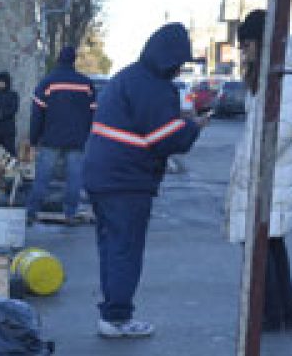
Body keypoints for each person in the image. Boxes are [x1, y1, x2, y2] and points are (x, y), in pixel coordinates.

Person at [83, 23, 206, 338]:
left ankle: (112, 312)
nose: (180, 70)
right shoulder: (154, 87)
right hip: (126, 179)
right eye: (179, 62)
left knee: (112, 246)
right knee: (126, 248)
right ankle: (117, 317)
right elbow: (165, 138)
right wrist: (193, 127)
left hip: (102, 176)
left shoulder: (129, 76)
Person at [225, 9, 292, 333]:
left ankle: (271, 314)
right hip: (270, 171)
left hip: (270, 173)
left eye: (246, 44)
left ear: (261, 42)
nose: (244, 51)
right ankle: (284, 311)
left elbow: (282, 129)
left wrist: (252, 167)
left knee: (259, 244)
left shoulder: (281, 75)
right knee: (270, 242)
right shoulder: (270, 74)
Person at [26, 46, 96, 224]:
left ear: (58, 59)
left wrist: (33, 139)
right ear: (74, 61)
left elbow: (37, 114)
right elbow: (92, 113)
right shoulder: (86, 84)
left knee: (43, 177)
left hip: (51, 138)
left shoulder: (48, 83)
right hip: (77, 139)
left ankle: (32, 211)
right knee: (74, 178)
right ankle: (70, 213)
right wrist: (85, 134)